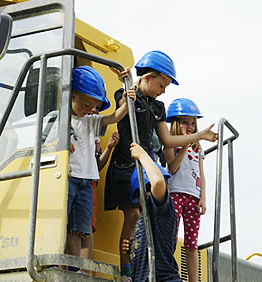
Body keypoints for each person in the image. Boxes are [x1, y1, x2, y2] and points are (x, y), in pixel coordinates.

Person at [104, 50, 218, 280]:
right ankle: (126, 269)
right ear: (147, 78)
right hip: (127, 163)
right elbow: (119, 110)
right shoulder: (126, 93)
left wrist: (199, 136)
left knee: (151, 214)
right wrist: (128, 87)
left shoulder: (158, 108)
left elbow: (167, 140)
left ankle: (148, 264)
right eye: (162, 84)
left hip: (146, 166)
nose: (164, 90)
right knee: (133, 215)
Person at [62, 65, 136, 265]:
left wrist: (128, 92)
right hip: (68, 178)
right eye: (86, 105)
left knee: (81, 229)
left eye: (93, 106)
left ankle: (80, 271)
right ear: (73, 95)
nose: (89, 110)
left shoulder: (90, 121)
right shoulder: (60, 119)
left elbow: (115, 116)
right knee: (65, 227)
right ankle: (67, 266)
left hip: (87, 181)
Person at [122, 142, 181, 282]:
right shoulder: (143, 220)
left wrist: (142, 155)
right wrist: (133, 250)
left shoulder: (162, 211)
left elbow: (158, 183)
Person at [163, 98, 207, 282]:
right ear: (175, 123)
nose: (189, 127)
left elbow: (201, 175)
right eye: (184, 123)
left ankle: (193, 280)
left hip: (193, 197)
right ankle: (167, 274)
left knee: (192, 244)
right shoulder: (171, 144)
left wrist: (203, 197)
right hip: (175, 194)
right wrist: (187, 143)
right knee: (171, 238)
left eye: (192, 124)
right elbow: (172, 168)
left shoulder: (198, 149)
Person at [80, 100, 120, 271]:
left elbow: (97, 167)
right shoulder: (74, 126)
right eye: (91, 106)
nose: (94, 111)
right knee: (73, 230)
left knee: (87, 228)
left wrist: (108, 148)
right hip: (74, 180)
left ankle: (84, 270)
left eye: (97, 108)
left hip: (89, 183)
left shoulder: (95, 136)